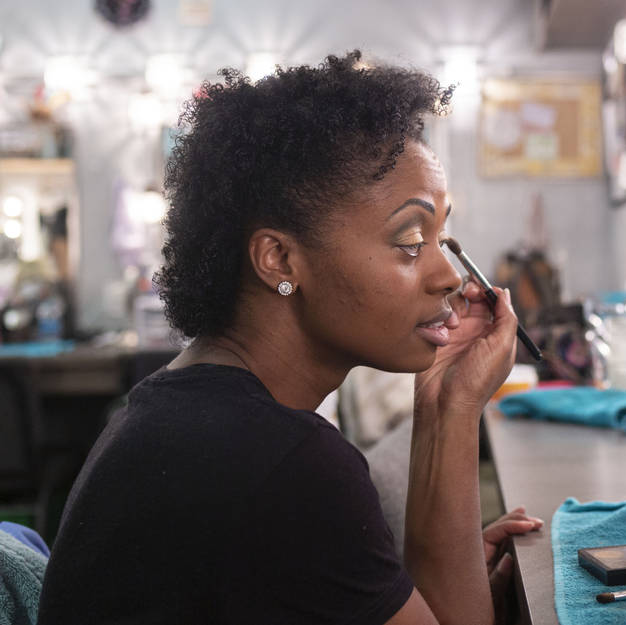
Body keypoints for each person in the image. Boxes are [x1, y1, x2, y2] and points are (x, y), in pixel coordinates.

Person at [37, 52, 542, 624]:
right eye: (408, 239)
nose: (450, 276)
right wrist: (455, 412)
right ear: (279, 259)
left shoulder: (180, 409)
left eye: (442, 239)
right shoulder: (283, 465)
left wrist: (449, 401)